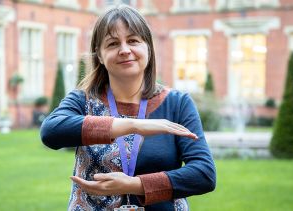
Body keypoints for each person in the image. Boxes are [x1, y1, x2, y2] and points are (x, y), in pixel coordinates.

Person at [40, 5, 216, 210]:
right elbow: (51, 131)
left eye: (133, 40)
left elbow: (204, 174)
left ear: (148, 48)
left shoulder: (177, 103)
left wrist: (134, 185)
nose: (125, 50)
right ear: (99, 55)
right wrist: (133, 125)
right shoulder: (83, 100)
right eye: (113, 44)